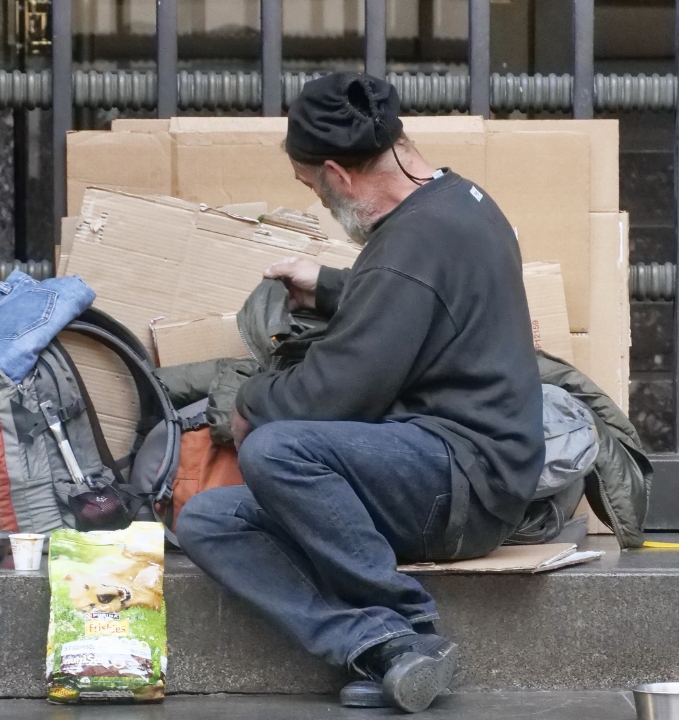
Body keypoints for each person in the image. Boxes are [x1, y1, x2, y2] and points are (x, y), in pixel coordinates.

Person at [175, 72, 544, 713]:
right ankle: (380, 645)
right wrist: (330, 285)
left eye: (311, 188)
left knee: (276, 449)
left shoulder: (412, 242)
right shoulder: (457, 203)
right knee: (208, 518)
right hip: (450, 469)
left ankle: (414, 628)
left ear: (337, 176)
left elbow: (332, 397)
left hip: (466, 481)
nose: (320, 202)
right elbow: (417, 301)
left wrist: (248, 404)